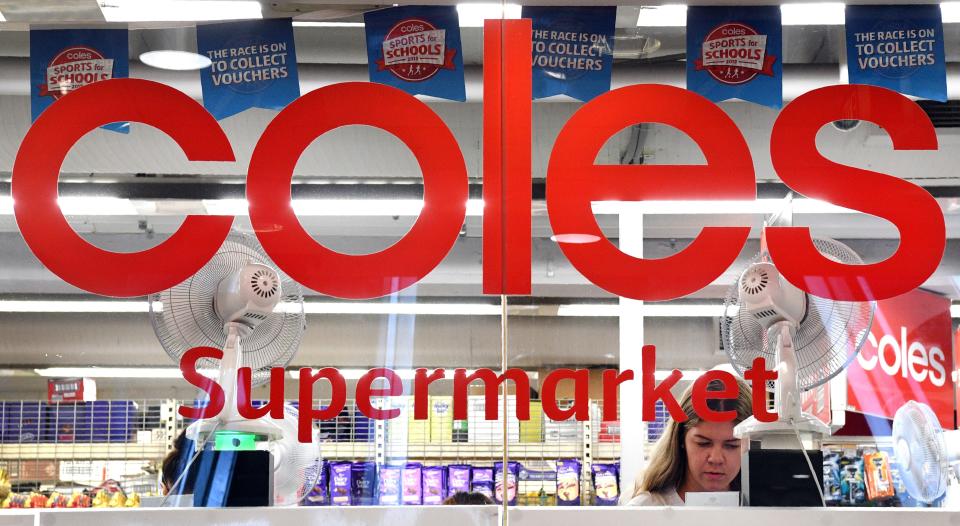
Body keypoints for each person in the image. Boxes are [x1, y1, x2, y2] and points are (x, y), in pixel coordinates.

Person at [627, 374, 753, 506]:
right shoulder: (646, 510)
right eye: (703, 443)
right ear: (681, 439)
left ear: (749, 445)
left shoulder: (762, 509)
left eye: (731, 446)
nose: (716, 459)